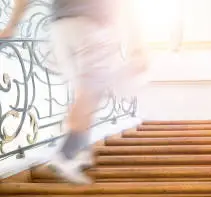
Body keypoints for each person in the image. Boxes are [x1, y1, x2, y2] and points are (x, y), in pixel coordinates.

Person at [0, 0, 147, 184]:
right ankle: (66, 155)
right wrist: (137, 45)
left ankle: (80, 149)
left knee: (85, 91)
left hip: (59, 28)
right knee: (92, 90)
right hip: (89, 25)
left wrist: (11, 26)